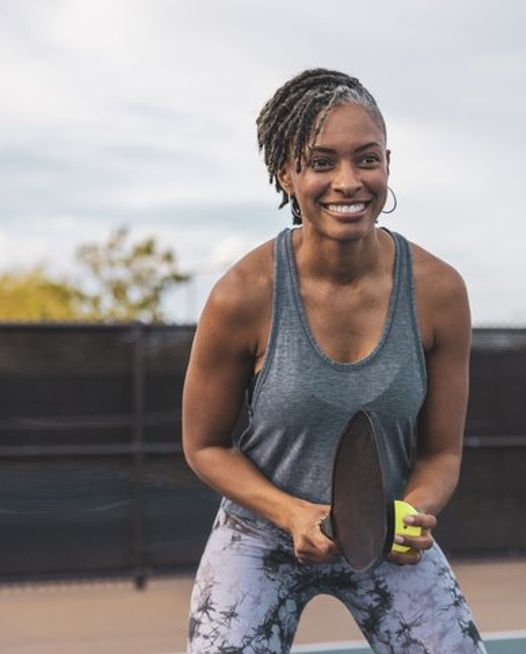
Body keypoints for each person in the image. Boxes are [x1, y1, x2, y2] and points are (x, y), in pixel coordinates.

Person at [182, 68, 487, 653]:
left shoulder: (439, 290)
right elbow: (204, 446)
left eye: (365, 159)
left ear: (388, 165)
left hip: (384, 531)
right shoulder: (243, 293)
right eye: (322, 162)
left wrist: (410, 513)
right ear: (287, 174)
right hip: (261, 535)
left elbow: (442, 452)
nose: (348, 182)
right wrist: (293, 514)